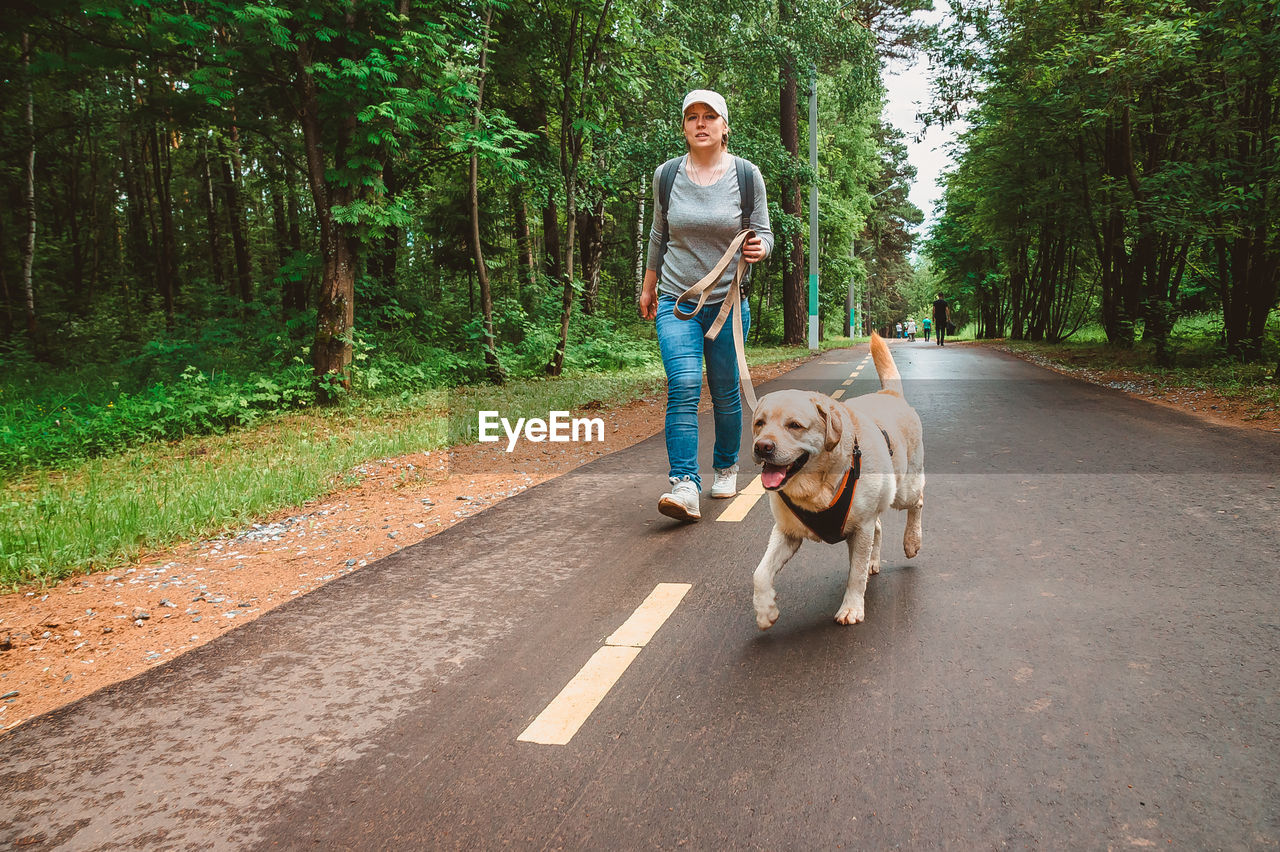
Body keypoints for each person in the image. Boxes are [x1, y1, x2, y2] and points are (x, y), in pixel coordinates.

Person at [639, 90, 773, 522]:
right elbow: (659, 236)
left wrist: (760, 249)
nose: (701, 124)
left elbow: (765, 234)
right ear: (683, 126)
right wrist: (648, 287)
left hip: (727, 304)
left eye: (709, 116)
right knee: (681, 385)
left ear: (724, 125)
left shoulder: (747, 176)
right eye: (692, 117)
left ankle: (727, 464)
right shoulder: (666, 175)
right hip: (677, 301)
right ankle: (683, 485)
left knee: (725, 392)